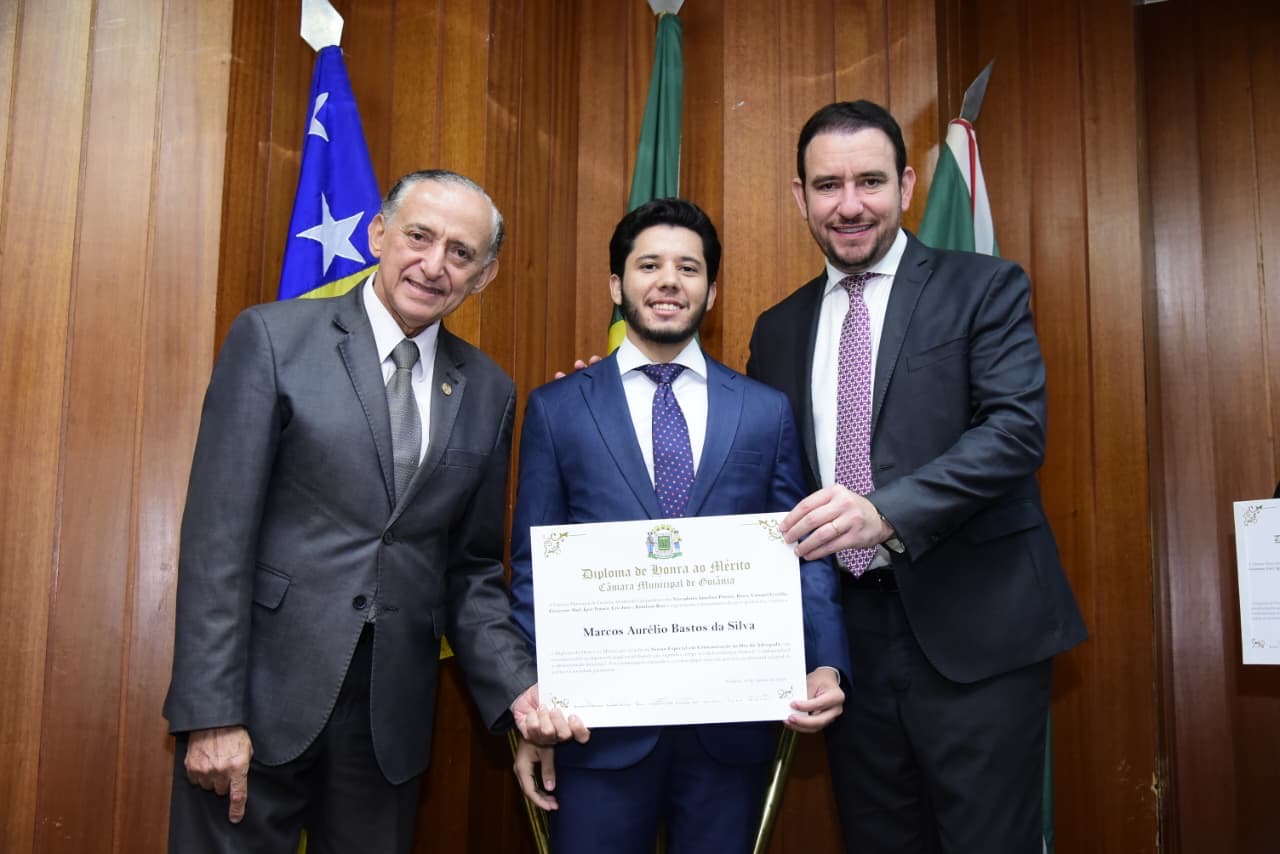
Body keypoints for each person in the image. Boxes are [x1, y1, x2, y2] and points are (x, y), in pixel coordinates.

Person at [163, 169, 583, 854]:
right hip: (257, 704)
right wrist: (211, 712)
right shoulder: (273, 339)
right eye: (419, 236)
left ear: (484, 275)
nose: (434, 265)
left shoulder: (489, 390)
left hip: (389, 724)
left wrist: (519, 689)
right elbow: (217, 539)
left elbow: (470, 571)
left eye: (460, 252)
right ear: (379, 234)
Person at [746, 101, 1088, 853]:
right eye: (827, 185)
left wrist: (885, 512)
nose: (850, 205)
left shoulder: (984, 287)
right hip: (848, 654)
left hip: (978, 636)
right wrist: (616, 394)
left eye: (870, 181)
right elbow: (759, 472)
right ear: (800, 197)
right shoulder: (776, 330)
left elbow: (1015, 431)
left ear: (905, 186)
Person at [509, 198, 851, 854]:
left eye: (688, 268)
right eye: (649, 265)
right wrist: (531, 703)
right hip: (594, 734)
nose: (669, 280)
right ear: (617, 285)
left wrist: (827, 663)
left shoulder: (765, 411)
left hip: (730, 732)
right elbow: (533, 571)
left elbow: (804, 549)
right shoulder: (557, 409)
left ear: (711, 291)